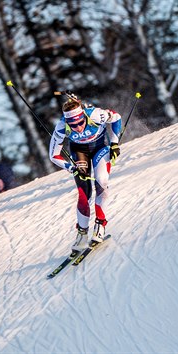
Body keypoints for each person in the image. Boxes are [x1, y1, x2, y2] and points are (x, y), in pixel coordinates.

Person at [49, 97, 122, 252]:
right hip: (79, 152)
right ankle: (82, 234)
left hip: (99, 148)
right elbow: (53, 155)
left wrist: (114, 143)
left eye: (80, 123)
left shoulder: (96, 114)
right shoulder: (62, 127)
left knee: (101, 181)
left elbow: (116, 117)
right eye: (73, 125)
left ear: (84, 117)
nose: (78, 128)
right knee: (84, 193)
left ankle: (100, 224)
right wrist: (71, 168)